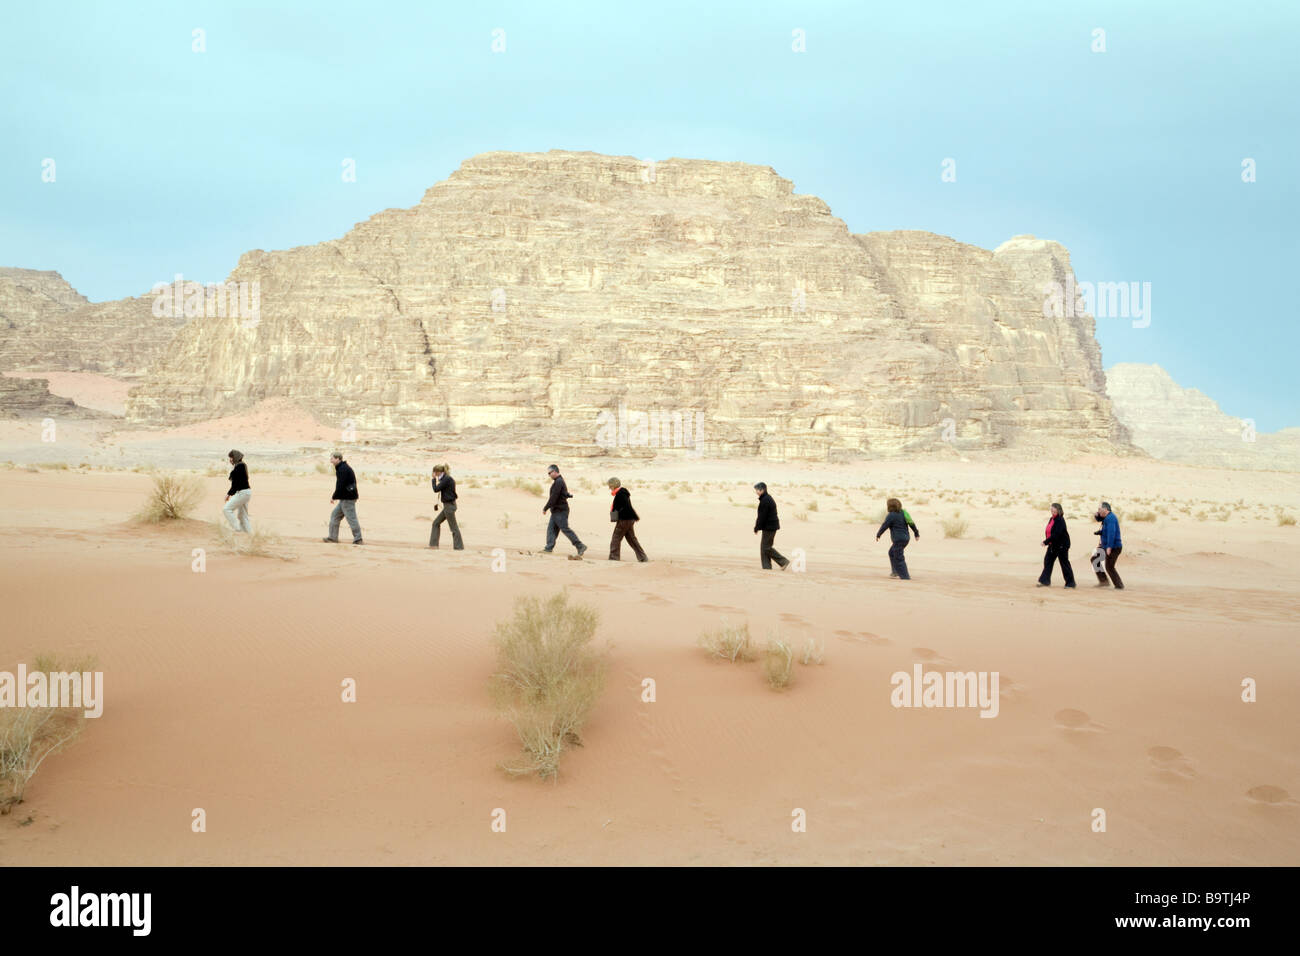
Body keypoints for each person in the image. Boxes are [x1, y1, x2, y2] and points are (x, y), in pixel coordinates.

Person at [542, 464, 586, 557]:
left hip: (560, 510)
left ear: (555, 472)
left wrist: (546, 507)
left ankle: (580, 546)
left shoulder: (559, 482)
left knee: (565, 529)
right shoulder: (559, 481)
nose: (549, 475)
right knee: (551, 529)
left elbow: (554, 497)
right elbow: (563, 494)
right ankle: (548, 548)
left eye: (549, 473)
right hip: (556, 510)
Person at [323, 452, 363, 544]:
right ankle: (333, 538)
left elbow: (340, 485)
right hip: (345, 498)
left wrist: (334, 496)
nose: (331, 461)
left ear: (338, 459)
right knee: (335, 516)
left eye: (332, 458)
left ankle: (358, 539)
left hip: (347, 498)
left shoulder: (343, 469)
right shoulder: (342, 467)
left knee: (351, 519)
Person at [875, 498, 919, 580]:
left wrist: (879, 534)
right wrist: (916, 533)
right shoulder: (904, 513)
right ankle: (895, 572)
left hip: (898, 539)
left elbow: (885, 525)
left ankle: (905, 576)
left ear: (890, 506)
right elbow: (911, 523)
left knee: (899, 557)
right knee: (891, 552)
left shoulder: (891, 515)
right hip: (905, 538)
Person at [607, 477, 647, 562]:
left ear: (614, 485)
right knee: (632, 540)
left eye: (610, 485)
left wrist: (616, 516)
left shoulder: (620, 494)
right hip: (629, 519)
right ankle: (643, 558)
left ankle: (614, 558)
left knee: (616, 538)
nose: (609, 487)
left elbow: (623, 507)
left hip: (624, 520)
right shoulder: (623, 493)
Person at [1037, 502, 1076, 588]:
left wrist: (1046, 541)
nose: (1052, 513)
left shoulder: (1060, 520)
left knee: (1064, 563)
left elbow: (1056, 534)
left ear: (1058, 511)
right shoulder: (1052, 519)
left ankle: (1070, 583)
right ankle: (1044, 581)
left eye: (1054, 511)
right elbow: (1050, 531)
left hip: (1062, 545)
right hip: (1053, 545)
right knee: (1048, 561)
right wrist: (1048, 541)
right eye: (1051, 511)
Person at [753, 482, 789, 570]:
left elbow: (762, 516)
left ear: (762, 490)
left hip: (770, 527)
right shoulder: (766, 498)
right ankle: (767, 568)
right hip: (770, 526)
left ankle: (783, 561)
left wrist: (757, 527)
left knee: (766, 547)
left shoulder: (765, 500)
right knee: (764, 548)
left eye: (757, 490)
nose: (756, 492)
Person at [428, 463, 463, 550]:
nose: (434, 474)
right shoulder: (445, 478)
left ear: (438, 472)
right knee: (436, 523)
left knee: (454, 528)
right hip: (448, 506)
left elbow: (436, 489)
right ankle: (433, 545)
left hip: (449, 506)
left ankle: (459, 547)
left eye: (434, 472)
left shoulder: (446, 479)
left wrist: (433, 479)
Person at [222, 449, 252, 533]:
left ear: (235, 457)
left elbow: (236, 483)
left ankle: (238, 530)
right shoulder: (241, 465)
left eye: (231, 457)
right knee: (242, 516)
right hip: (246, 492)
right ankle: (249, 534)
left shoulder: (239, 466)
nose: (230, 459)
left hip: (243, 493)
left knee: (226, 509)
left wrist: (228, 494)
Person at [1096, 501, 1123, 589]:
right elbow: (1106, 530)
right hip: (1106, 546)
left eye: (1099, 509)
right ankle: (1104, 581)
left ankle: (1119, 586)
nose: (1098, 511)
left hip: (1114, 547)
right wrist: (1100, 532)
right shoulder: (1107, 517)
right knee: (1095, 560)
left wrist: (1109, 547)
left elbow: (1112, 533)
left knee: (1110, 567)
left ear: (1105, 509)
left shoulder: (1111, 518)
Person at [1089, 508, 1108, 584]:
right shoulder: (1105, 519)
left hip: (1107, 545)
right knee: (1095, 559)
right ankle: (1103, 580)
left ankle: (1104, 581)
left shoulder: (1108, 520)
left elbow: (1109, 533)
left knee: (1095, 560)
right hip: (1103, 544)